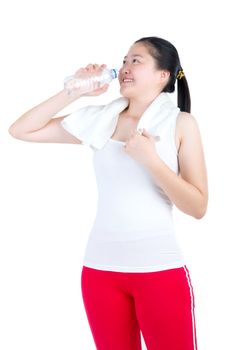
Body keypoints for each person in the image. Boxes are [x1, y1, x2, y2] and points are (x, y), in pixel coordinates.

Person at [9, 36, 208, 350]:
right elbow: (21, 130)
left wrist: (151, 161)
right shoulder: (100, 120)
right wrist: (72, 92)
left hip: (158, 271)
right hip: (100, 273)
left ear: (163, 75)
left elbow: (197, 206)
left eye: (136, 61)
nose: (125, 68)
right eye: (125, 60)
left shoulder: (181, 124)